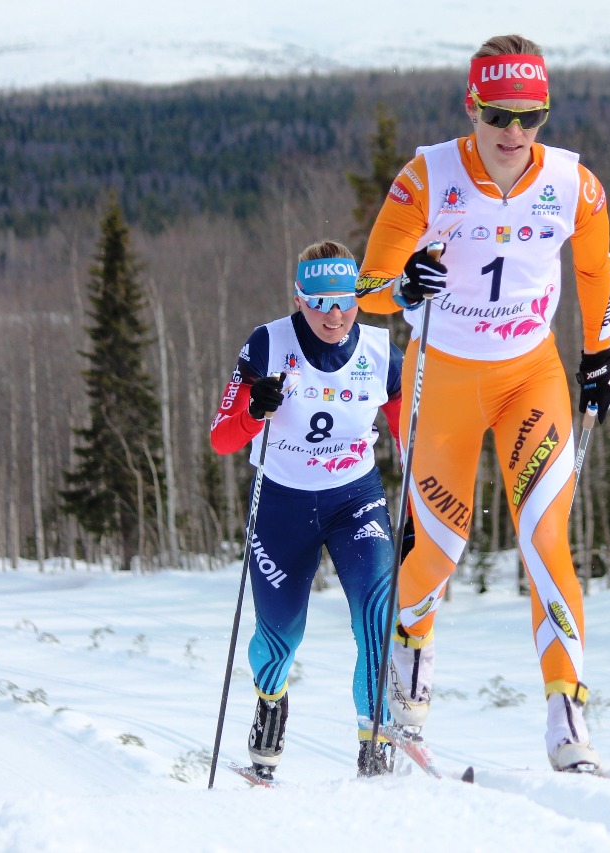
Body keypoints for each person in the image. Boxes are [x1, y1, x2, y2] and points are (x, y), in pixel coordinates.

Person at [356, 34, 610, 774]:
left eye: (530, 117)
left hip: (528, 376)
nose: (514, 134)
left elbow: (596, 265)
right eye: (499, 114)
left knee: (546, 537)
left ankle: (568, 719)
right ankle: (406, 658)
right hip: (440, 377)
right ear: (471, 106)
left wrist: (598, 355)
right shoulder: (427, 177)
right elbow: (369, 283)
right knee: (439, 548)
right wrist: (404, 285)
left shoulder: (573, 183)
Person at [210, 239, 405, 779]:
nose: (334, 314)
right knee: (280, 636)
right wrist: (253, 410)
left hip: (354, 499)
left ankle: (376, 742)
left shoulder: (382, 350)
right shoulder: (267, 345)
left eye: (344, 300)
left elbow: (410, 436)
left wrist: (421, 508)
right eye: (319, 302)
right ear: (299, 298)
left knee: (374, 613)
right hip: (281, 503)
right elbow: (223, 439)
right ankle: (270, 705)